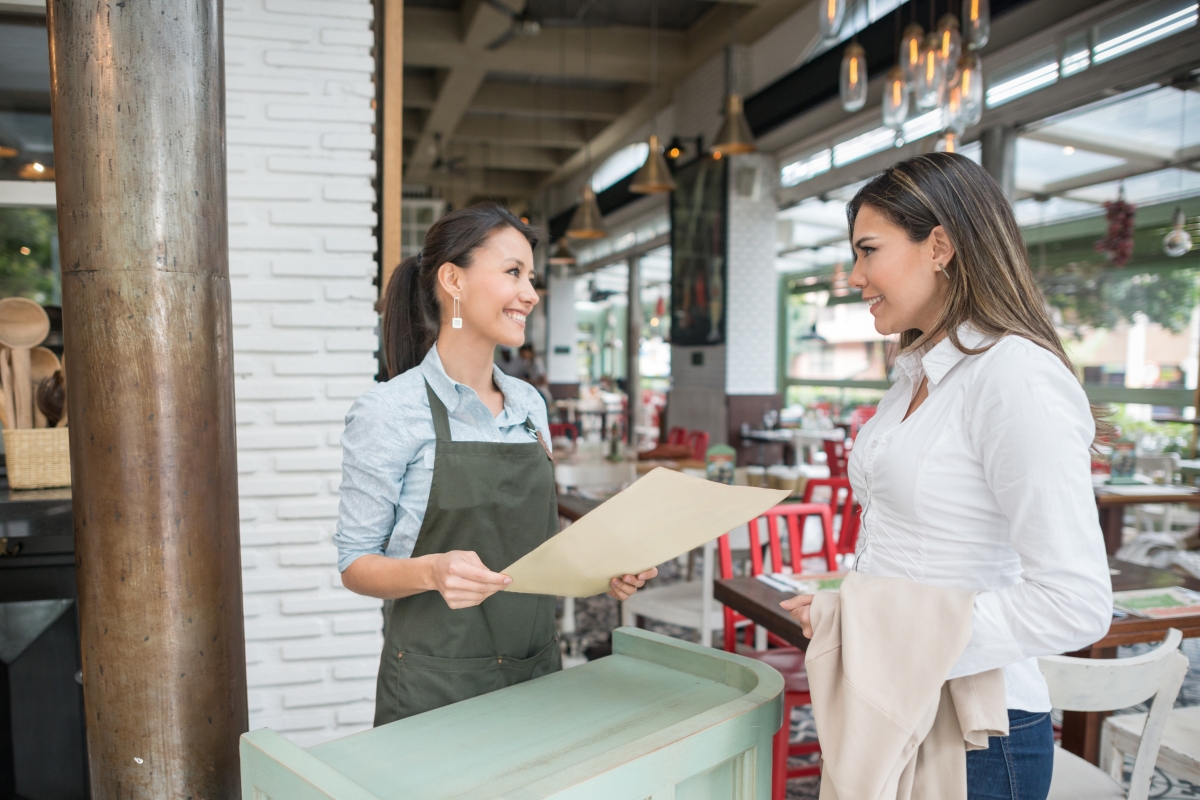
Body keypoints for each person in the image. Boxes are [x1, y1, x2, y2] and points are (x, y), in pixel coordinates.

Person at [780, 153, 1112, 800]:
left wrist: (877, 636)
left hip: (975, 731)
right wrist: (853, 617)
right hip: (900, 703)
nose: (855, 276)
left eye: (868, 251)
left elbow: (1076, 602)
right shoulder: (912, 378)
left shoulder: (1014, 376)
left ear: (940, 246)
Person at [334, 204, 657, 725]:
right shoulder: (389, 410)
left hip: (535, 674)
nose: (530, 293)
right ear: (453, 280)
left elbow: (530, 551)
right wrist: (431, 570)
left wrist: (604, 570)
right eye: (513, 273)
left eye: (531, 277)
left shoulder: (529, 403)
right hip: (434, 687)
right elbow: (355, 564)